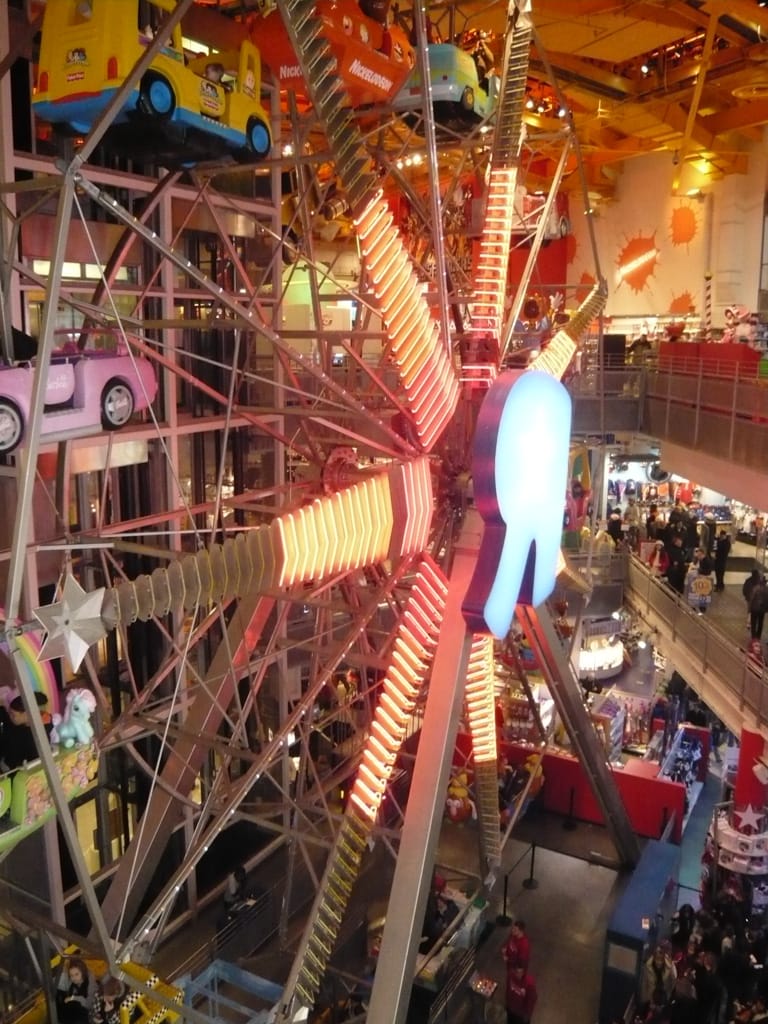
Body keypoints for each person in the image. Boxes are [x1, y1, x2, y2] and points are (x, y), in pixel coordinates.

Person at [56, 957, 93, 1024]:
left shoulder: (88, 986)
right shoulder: (74, 984)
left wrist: (72, 998)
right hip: (71, 1013)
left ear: (82, 972)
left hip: (81, 1017)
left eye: (76, 974)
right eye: (72, 975)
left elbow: (88, 1004)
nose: (74, 978)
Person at [749, 575, 768, 642]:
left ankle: (753, 637)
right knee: (760, 623)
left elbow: (751, 599)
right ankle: (758, 637)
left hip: (754, 609)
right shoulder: (766, 589)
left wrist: (749, 608)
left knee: (753, 623)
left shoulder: (755, 588)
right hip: (762, 610)